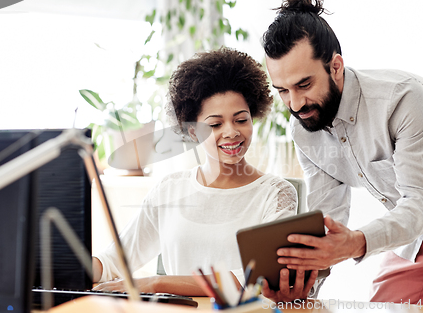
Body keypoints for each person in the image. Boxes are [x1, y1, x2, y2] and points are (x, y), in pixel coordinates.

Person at [261, 0, 423, 304]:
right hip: (413, 237)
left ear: (336, 66)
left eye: (304, 84)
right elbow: (328, 218)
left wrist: (355, 243)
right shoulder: (304, 130)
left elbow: (422, 202)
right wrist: (305, 283)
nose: (295, 103)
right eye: (283, 90)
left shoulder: (403, 100)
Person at [91, 47, 306, 297]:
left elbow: (250, 279)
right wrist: (61, 266)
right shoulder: (169, 190)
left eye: (241, 119)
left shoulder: (276, 194)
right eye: (215, 124)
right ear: (193, 132)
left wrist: (156, 283)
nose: (231, 132)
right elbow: (113, 262)